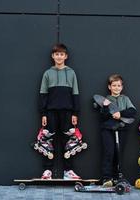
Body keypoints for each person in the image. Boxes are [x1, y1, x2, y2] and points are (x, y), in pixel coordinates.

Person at [39, 43, 81, 180]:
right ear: (53, 56)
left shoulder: (71, 72)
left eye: (61, 54)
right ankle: (47, 170)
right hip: (51, 112)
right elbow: (43, 94)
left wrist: (75, 113)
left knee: (68, 141)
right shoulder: (47, 73)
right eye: (56, 54)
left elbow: (75, 93)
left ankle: (68, 171)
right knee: (47, 140)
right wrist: (43, 113)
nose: (59, 56)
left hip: (67, 112)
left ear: (66, 56)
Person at [99, 74, 137, 186]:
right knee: (109, 152)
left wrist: (120, 113)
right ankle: (106, 178)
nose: (116, 88)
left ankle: (117, 176)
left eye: (119, 85)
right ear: (109, 87)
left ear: (122, 87)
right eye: (114, 85)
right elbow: (102, 117)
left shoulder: (125, 99)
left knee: (118, 153)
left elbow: (132, 111)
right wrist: (105, 107)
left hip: (122, 129)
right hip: (108, 130)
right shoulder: (106, 100)